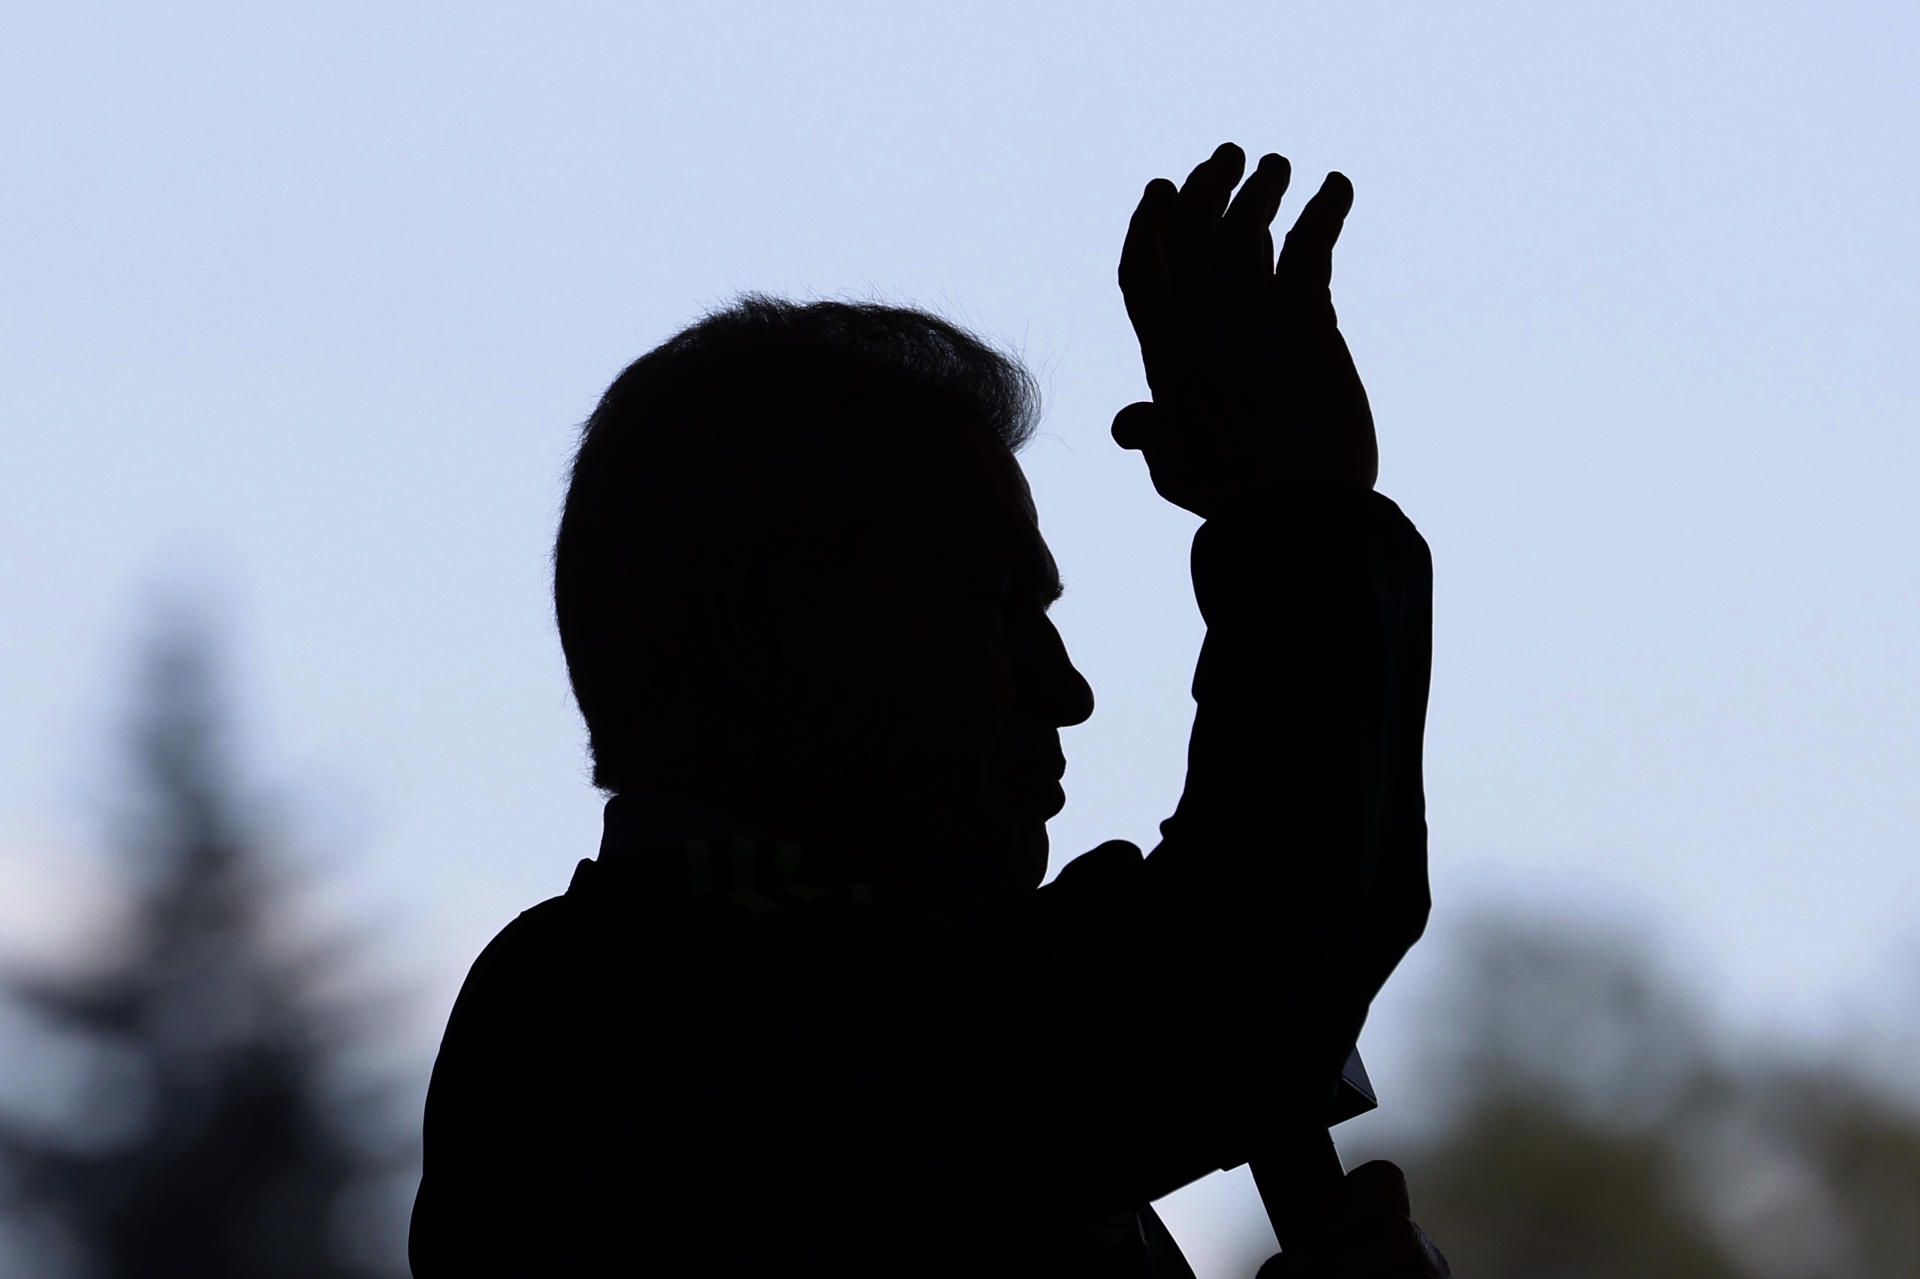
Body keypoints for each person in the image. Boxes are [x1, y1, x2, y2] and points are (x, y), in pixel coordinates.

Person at [408, 143, 1443, 1277]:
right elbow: (1238, 976)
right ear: (768, 635)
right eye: (993, 609)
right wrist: (1299, 513)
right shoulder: (654, 1036)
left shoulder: (744, 1020)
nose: (1069, 691)